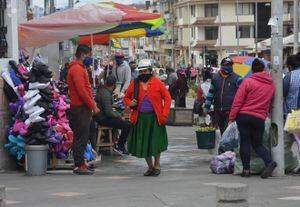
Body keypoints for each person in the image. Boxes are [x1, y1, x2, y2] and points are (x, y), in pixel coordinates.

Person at [229, 58, 277, 178]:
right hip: (259, 118)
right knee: (258, 144)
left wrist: (232, 116)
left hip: (244, 116)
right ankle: (269, 162)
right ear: (263, 69)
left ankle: (246, 170)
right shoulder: (271, 85)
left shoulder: (248, 82)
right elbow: (269, 102)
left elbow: (238, 101)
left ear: (252, 70)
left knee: (245, 142)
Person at [124, 62, 171, 177]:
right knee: (144, 143)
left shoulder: (158, 83)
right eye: (141, 71)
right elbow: (126, 97)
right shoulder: (134, 84)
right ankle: (150, 167)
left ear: (150, 71)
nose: (143, 73)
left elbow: (167, 98)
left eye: (145, 71)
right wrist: (131, 103)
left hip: (155, 118)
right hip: (140, 118)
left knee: (156, 142)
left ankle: (157, 164)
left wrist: (164, 114)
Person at [67, 45, 100, 175]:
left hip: (82, 107)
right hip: (80, 107)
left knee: (83, 135)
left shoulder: (80, 68)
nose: (90, 58)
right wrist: (93, 106)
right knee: (81, 136)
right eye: (88, 55)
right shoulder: (76, 69)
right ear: (82, 55)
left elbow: (86, 89)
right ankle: (79, 164)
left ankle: (80, 163)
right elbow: (82, 91)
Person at [203, 57, 243, 134]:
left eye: (231, 65)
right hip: (218, 111)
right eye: (227, 65)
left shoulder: (238, 79)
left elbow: (242, 96)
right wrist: (206, 108)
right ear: (222, 66)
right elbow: (210, 95)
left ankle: (226, 146)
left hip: (231, 111)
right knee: (221, 131)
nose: (229, 67)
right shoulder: (215, 78)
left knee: (227, 131)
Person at [95, 75, 131, 155]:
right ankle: (120, 146)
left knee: (123, 122)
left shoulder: (104, 91)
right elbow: (108, 112)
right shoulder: (105, 94)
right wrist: (119, 116)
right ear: (114, 85)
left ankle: (115, 142)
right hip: (103, 118)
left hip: (103, 116)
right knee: (127, 125)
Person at [283, 53, 300, 174]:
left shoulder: (289, 77)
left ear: (289, 66)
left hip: (292, 116)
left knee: (285, 143)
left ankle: (283, 165)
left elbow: (281, 95)